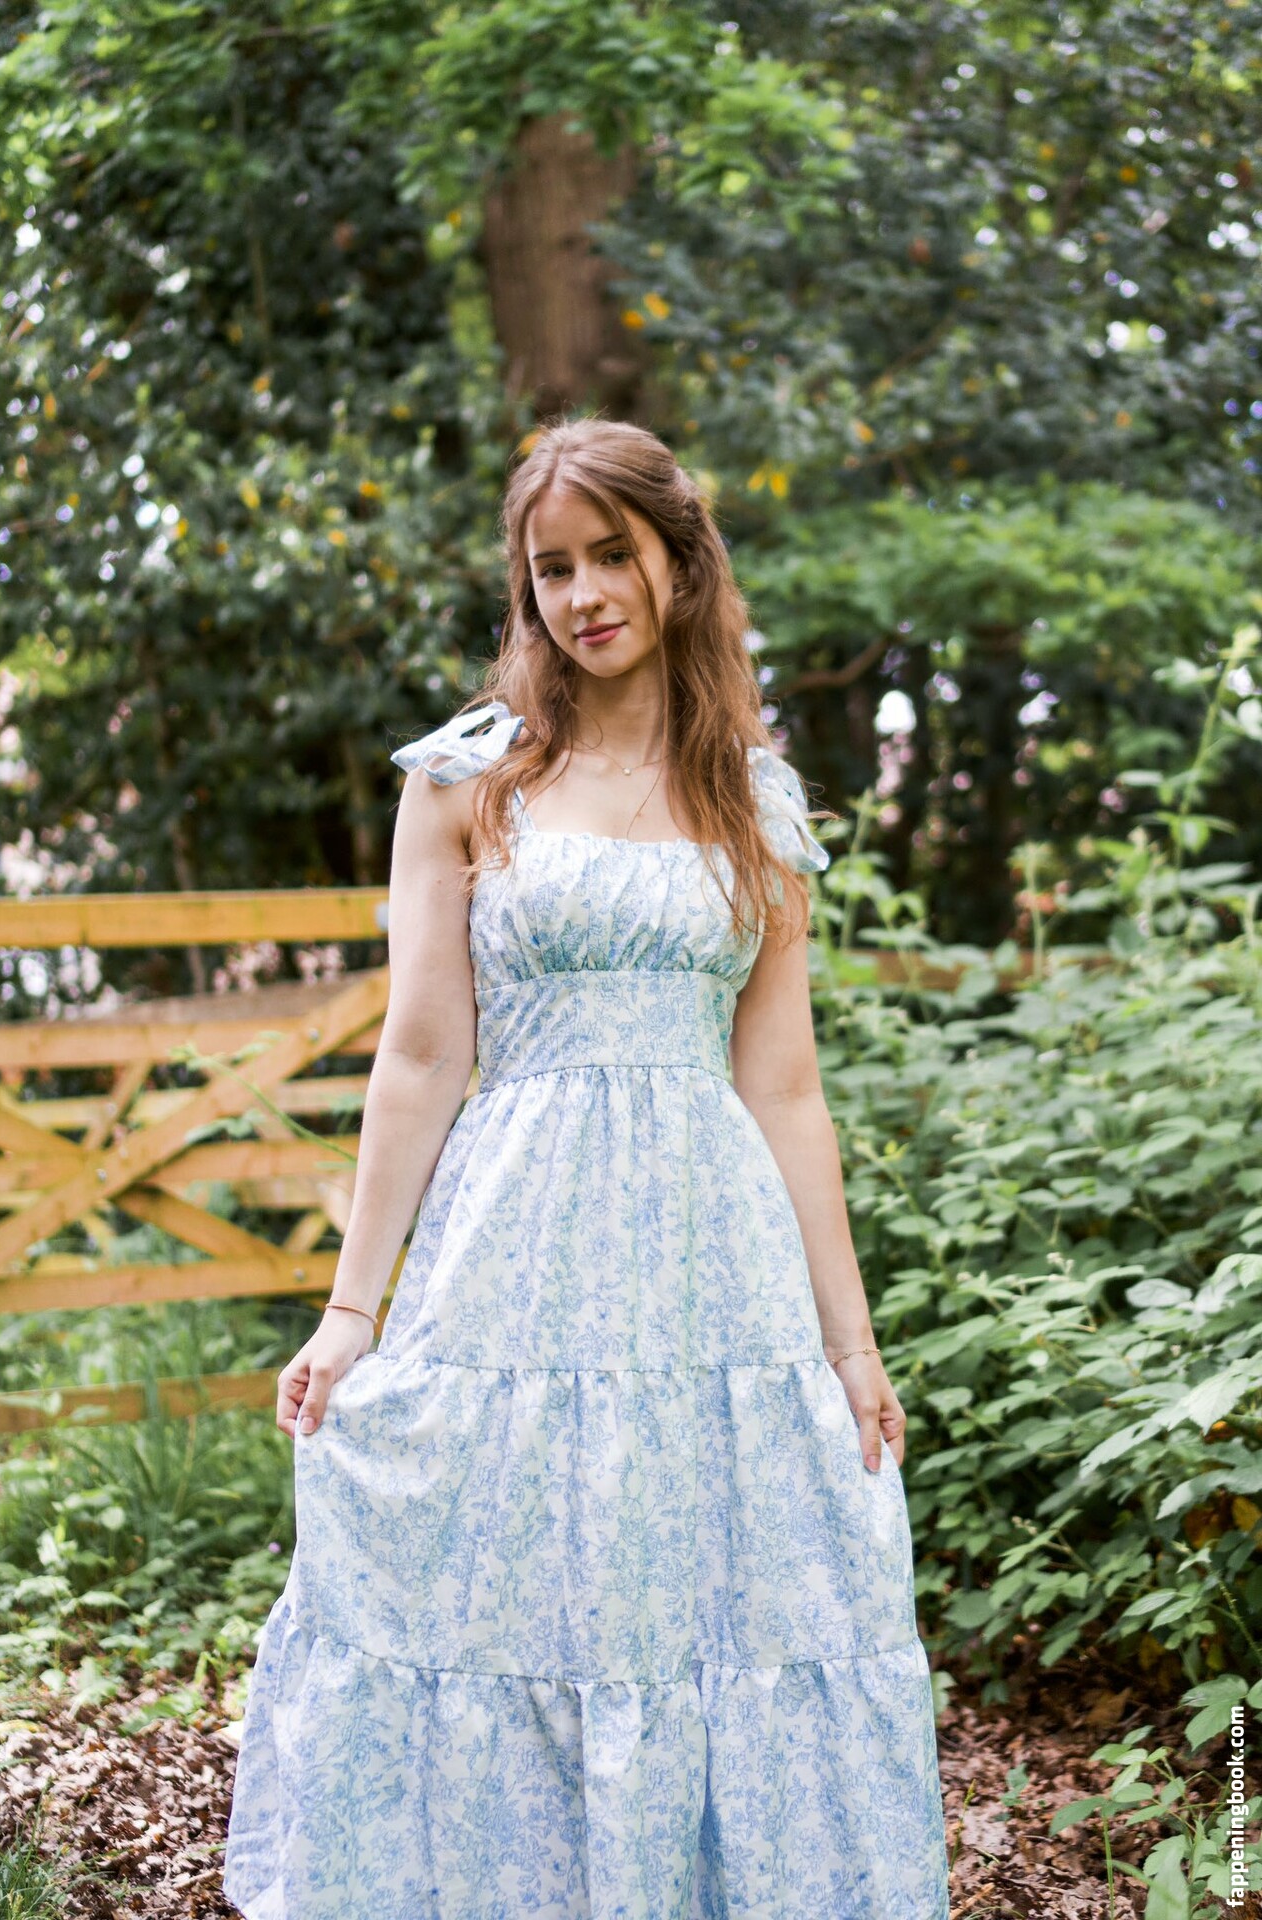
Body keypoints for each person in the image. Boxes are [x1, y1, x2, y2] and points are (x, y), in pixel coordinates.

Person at [223, 417, 950, 1919]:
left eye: (611, 555)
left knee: (704, 1605)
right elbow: (421, 1057)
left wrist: (849, 1341)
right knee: (501, 1594)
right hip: (514, 1249)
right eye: (550, 568)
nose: (582, 594)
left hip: (709, 1266)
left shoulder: (753, 802)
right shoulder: (467, 779)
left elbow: (784, 1087)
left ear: (680, 559)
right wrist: (351, 1312)